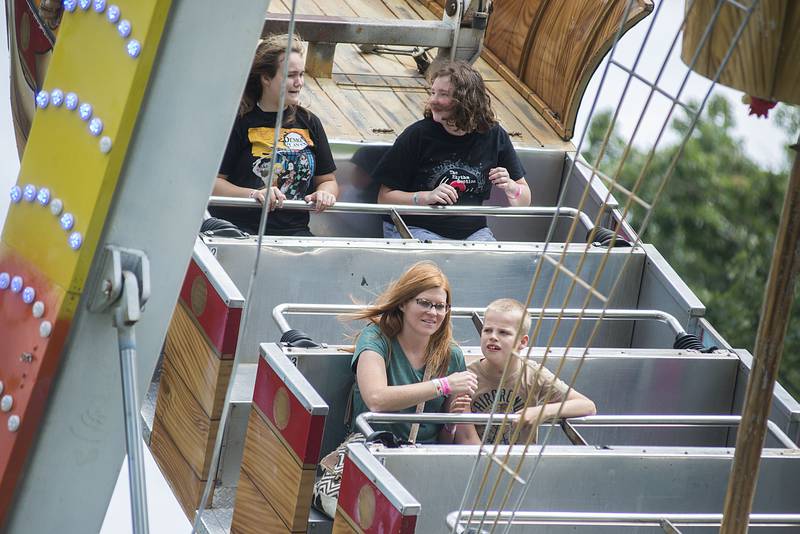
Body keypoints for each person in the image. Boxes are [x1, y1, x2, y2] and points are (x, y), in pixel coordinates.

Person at [373, 60, 531, 241]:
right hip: (415, 227)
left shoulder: (494, 135)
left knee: (491, 264)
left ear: (466, 100)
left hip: (473, 233)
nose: (433, 100)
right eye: (432, 92)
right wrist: (426, 197)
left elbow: (524, 199)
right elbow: (384, 198)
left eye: (443, 94)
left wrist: (512, 188)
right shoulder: (418, 135)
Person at [210, 34, 338, 236]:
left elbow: (328, 179)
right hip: (239, 231)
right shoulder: (237, 122)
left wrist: (325, 193)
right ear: (266, 78)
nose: (299, 83)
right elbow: (211, 184)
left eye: (301, 75)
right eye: (290, 75)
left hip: (295, 232)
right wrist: (254, 194)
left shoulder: (310, 122)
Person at [349, 261, 478, 444]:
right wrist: (443, 385)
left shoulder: (452, 354)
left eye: (440, 306)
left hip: (426, 459)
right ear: (403, 303)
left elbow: (461, 438)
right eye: (424, 303)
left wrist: (450, 424)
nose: (433, 312)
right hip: (374, 453)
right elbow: (376, 399)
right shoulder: (376, 338)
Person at [459, 298, 596, 445]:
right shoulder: (466, 377)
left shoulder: (533, 374)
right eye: (487, 330)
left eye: (503, 332)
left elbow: (587, 406)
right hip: (479, 460)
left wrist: (541, 412)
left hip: (521, 463)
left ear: (523, 342)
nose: (493, 337)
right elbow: (466, 438)